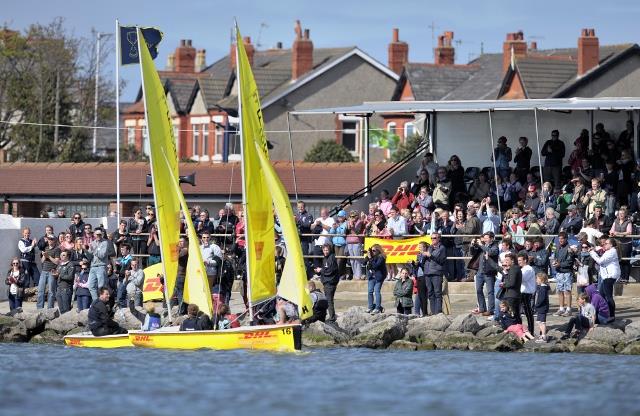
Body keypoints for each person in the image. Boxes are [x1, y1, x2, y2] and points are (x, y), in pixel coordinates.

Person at [589, 238, 619, 320]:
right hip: (606, 276)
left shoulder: (612, 252)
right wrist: (594, 249)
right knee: (601, 294)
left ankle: (611, 316)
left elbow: (600, 261)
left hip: (610, 276)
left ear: (611, 245)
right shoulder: (608, 251)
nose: (604, 244)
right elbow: (600, 249)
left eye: (606, 243)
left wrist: (592, 253)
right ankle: (603, 313)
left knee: (608, 296)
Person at [470, 231, 499, 316]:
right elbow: (472, 253)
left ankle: (491, 310)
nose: (485, 240)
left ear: (492, 239)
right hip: (480, 272)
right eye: (484, 238)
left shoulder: (495, 246)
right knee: (478, 290)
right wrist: (472, 245)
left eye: (487, 238)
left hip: (489, 272)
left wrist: (481, 245)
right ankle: (482, 308)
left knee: (490, 292)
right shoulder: (482, 246)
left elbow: (491, 252)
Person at [552, 232, 576, 317]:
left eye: (562, 238)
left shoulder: (569, 248)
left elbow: (569, 262)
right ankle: (561, 308)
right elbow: (555, 258)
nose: (560, 240)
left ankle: (569, 309)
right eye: (559, 238)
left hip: (567, 273)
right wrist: (555, 262)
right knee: (559, 291)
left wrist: (559, 264)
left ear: (566, 239)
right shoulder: (558, 248)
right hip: (559, 273)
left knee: (567, 291)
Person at [314, 243, 339, 322]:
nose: (325, 252)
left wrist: (321, 270)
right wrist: (319, 271)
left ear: (330, 250)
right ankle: (332, 315)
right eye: (324, 250)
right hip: (327, 281)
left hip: (330, 282)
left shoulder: (331, 258)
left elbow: (330, 271)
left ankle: (332, 317)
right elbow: (326, 269)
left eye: (327, 250)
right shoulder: (326, 258)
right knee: (328, 299)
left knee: (329, 300)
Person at [425, 233, 447, 315]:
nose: (432, 239)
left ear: (439, 239)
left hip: (436, 273)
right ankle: (433, 312)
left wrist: (431, 256)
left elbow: (442, 261)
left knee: (437, 293)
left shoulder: (442, 248)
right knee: (430, 293)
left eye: (434, 238)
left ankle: (438, 312)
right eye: (431, 238)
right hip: (428, 273)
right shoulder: (430, 247)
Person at [88, 229, 112, 302]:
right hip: (93, 266)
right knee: (91, 286)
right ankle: (97, 302)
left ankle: (103, 302)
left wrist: (94, 250)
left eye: (100, 234)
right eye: (97, 234)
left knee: (101, 287)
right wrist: (86, 252)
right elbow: (90, 256)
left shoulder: (105, 243)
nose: (98, 236)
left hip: (101, 266)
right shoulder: (92, 243)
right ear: (94, 235)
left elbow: (102, 255)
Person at [610, 207, 632, 283]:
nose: (621, 215)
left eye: (623, 213)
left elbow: (629, 232)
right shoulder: (615, 221)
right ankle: (619, 277)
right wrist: (612, 233)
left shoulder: (628, 222)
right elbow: (612, 230)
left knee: (625, 261)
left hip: (626, 244)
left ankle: (625, 278)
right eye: (620, 214)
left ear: (625, 214)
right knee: (618, 261)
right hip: (617, 244)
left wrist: (618, 233)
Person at [37, 235, 60, 309]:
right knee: (40, 290)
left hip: (51, 272)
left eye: (51, 239)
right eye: (49, 239)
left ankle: (50, 309)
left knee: (51, 291)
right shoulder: (46, 248)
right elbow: (42, 261)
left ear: (54, 240)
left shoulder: (57, 249)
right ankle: (39, 308)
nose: (50, 240)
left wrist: (48, 257)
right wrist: (44, 256)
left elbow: (57, 262)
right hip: (44, 271)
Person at [364, 244, 386, 314]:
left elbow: (375, 266)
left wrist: (370, 258)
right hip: (371, 276)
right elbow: (363, 263)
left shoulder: (381, 257)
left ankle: (377, 308)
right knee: (370, 291)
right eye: (371, 251)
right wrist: (367, 256)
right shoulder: (371, 256)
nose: (372, 252)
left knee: (377, 291)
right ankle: (370, 307)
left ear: (378, 251)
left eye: (373, 251)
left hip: (379, 277)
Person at [500, 252, 522, 325]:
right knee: (516, 315)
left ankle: (515, 330)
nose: (505, 261)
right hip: (514, 295)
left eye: (507, 260)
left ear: (512, 260)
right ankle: (519, 330)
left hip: (512, 296)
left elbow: (512, 283)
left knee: (512, 315)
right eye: (505, 260)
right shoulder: (514, 268)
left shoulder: (513, 268)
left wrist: (504, 285)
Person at [518, 252, 535, 335]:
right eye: (518, 260)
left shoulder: (528, 269)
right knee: (519, 312)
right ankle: (520, 329)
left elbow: (522, 278)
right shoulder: (522, 268)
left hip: (526, 293)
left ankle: (531, 330)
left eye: (520, 260)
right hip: (522, 293)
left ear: (525, 260)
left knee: (528, 312)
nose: (519, 262)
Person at [345, 210, 365, 280]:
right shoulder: (349, 223)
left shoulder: (360, 222)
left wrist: (352, 225)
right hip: (350, 242)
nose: (351, 218)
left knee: (357, 259)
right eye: (350, 216)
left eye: (353, 216)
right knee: (352, 260)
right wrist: (348, 225)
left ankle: (358, 275)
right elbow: (346, 231)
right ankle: (354, 274)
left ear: (357, 216)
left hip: (357, 242)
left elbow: (357, 231)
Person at [413, 241, 429, 316]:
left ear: (425, 247)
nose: (419, 248)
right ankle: (422, 312)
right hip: (418, 276)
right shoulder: (419, 255)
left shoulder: (426, 255)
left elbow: (423, 265)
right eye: (418, 247)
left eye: (420, 247)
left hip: (424, 276)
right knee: (420, 295)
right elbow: (417, 266)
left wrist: (418, 263)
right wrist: (413, 263)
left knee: (423, 296)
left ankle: (425, 312)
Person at [534, 272, 550, 343]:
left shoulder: (543, 288)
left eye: (537, 279)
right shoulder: (541, 287)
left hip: (542, 308)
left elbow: (542, 299)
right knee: (538, 322)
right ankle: (542, 335)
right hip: (540, 308)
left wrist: (536, 305)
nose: (536, 280)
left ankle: (543, 336)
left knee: (542, 322)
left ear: (541, 279)